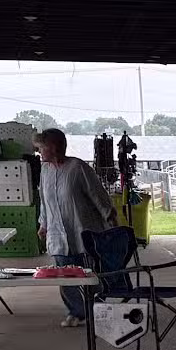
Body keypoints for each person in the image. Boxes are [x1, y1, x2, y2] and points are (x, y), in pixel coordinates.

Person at [33, 128, 117, 326]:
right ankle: (76, 312)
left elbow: (98, 195)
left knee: (87, 273)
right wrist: (43, 224)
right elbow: (44, 200)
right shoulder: (45, 170)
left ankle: (95, 311)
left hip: (83, 231)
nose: (39, 153)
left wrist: (111, 220)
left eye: (41, 148)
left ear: (53, 147)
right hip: (56, 232)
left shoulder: (77, 168)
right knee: (64, 275)